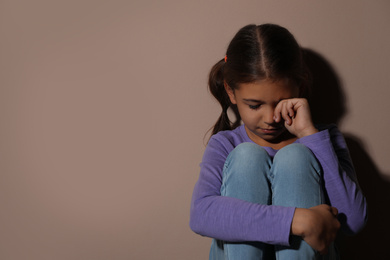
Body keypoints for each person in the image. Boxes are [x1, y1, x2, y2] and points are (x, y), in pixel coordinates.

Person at [189, 24, 367, 260]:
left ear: (300, 89)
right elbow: (201, 215)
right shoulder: (225, 144)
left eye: (282, 101)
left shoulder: (323, 139)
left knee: (296, 156)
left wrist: (310, 135)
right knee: (247, 156)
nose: (271, 118)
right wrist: (297, 220)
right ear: (231, 93)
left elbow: (353, 221)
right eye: (254, 105)